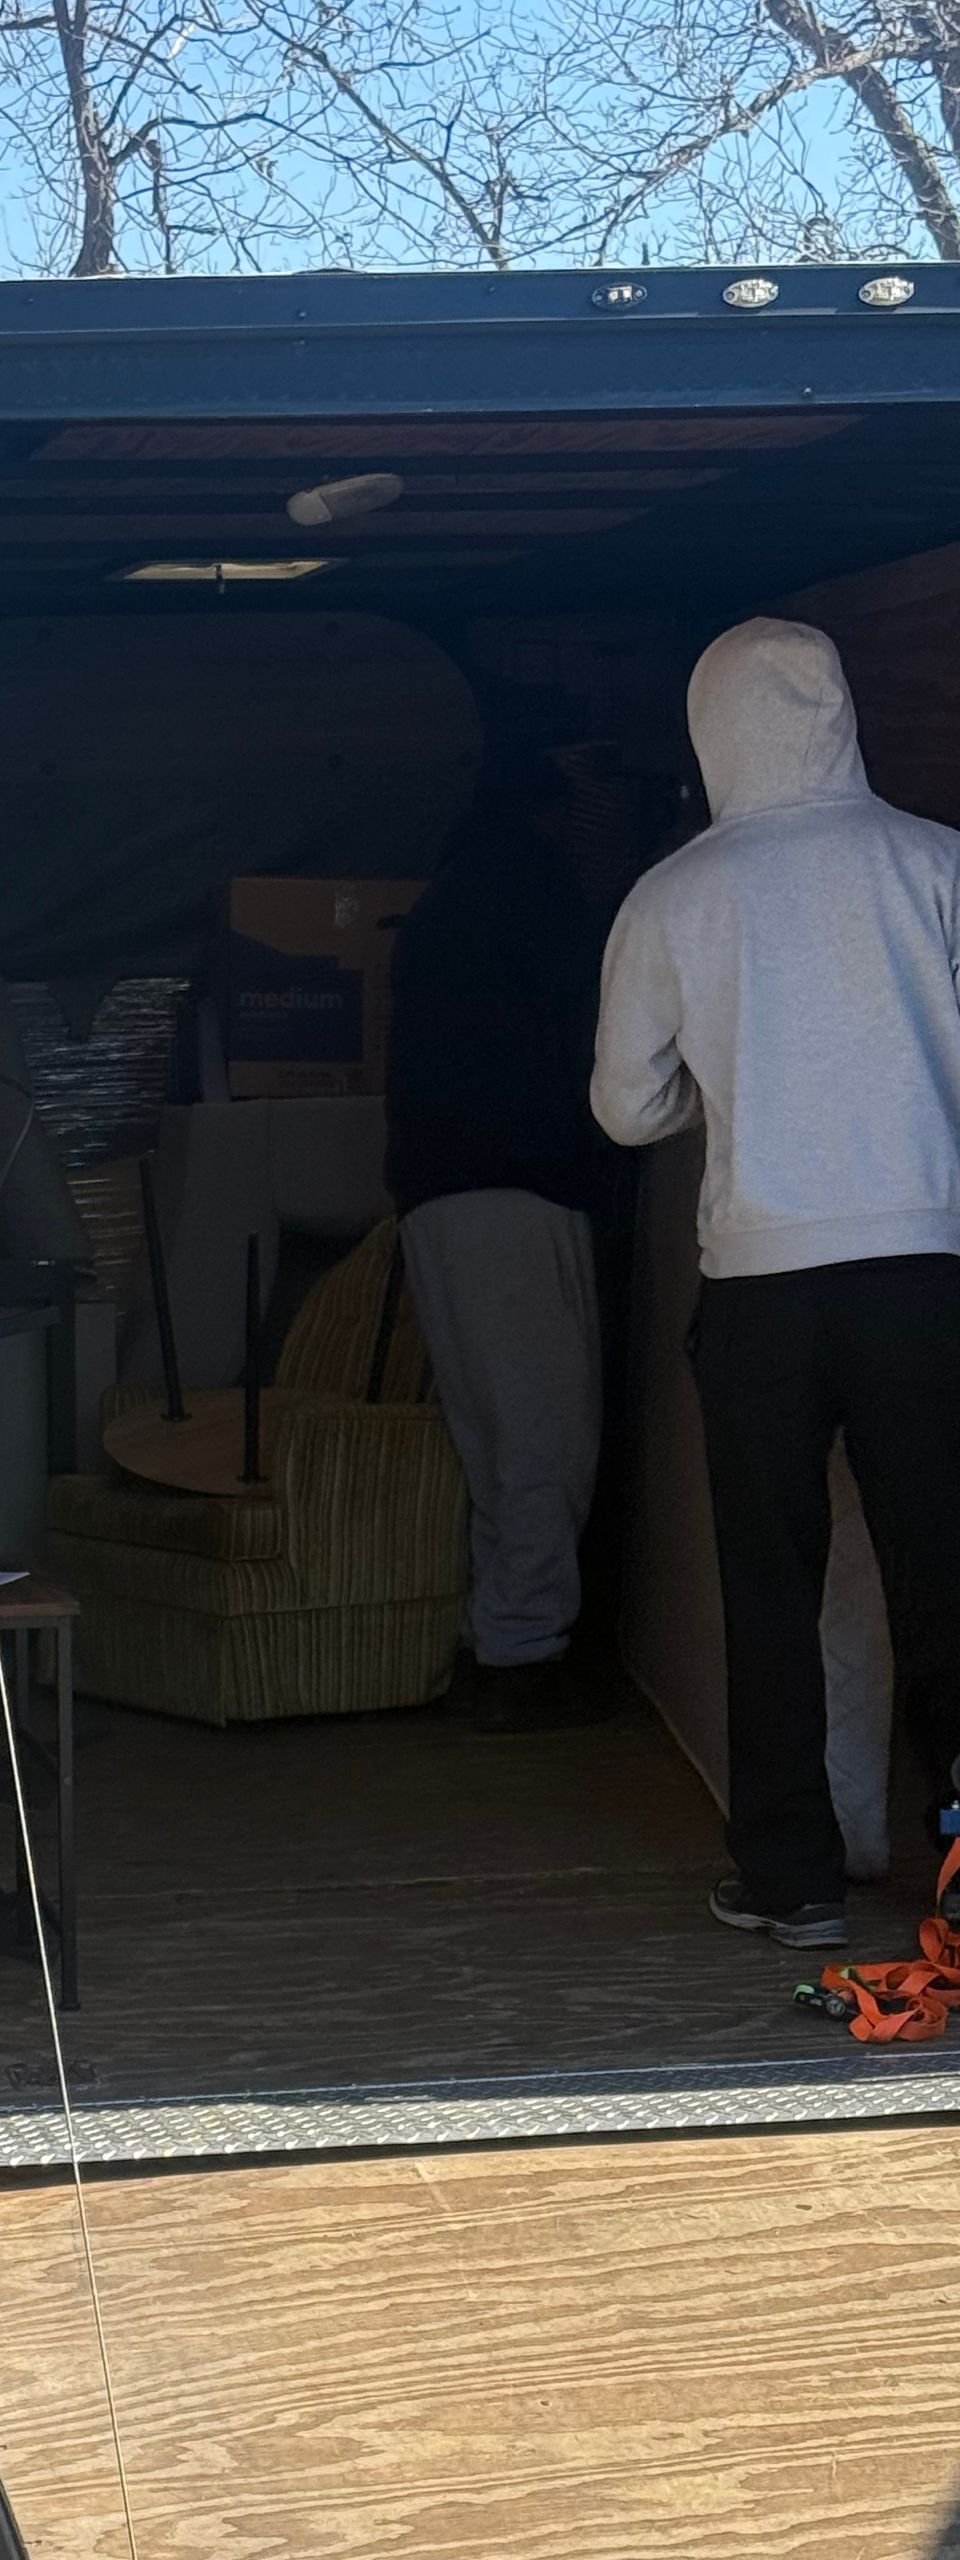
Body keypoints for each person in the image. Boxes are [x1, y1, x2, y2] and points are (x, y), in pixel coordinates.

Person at [594, 616, 960, 1951]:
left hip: (760, 1284)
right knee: (944, 1577)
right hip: (927, 1274)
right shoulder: (936, 866)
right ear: (842, 711)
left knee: (771, 1583)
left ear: (710, 730)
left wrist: (721, 1074)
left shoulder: (676, 894)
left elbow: (626, 1109)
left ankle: (791, 1873)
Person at [387, 742, 643, 1732]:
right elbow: (595, 1045)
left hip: (440, 1192)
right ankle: (522, 1657)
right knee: (544, 1436)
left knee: (495, 1440)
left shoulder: (456, 890)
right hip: (513, 1190)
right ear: (566, 810)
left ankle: (499, 1639)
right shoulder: (530, 894)